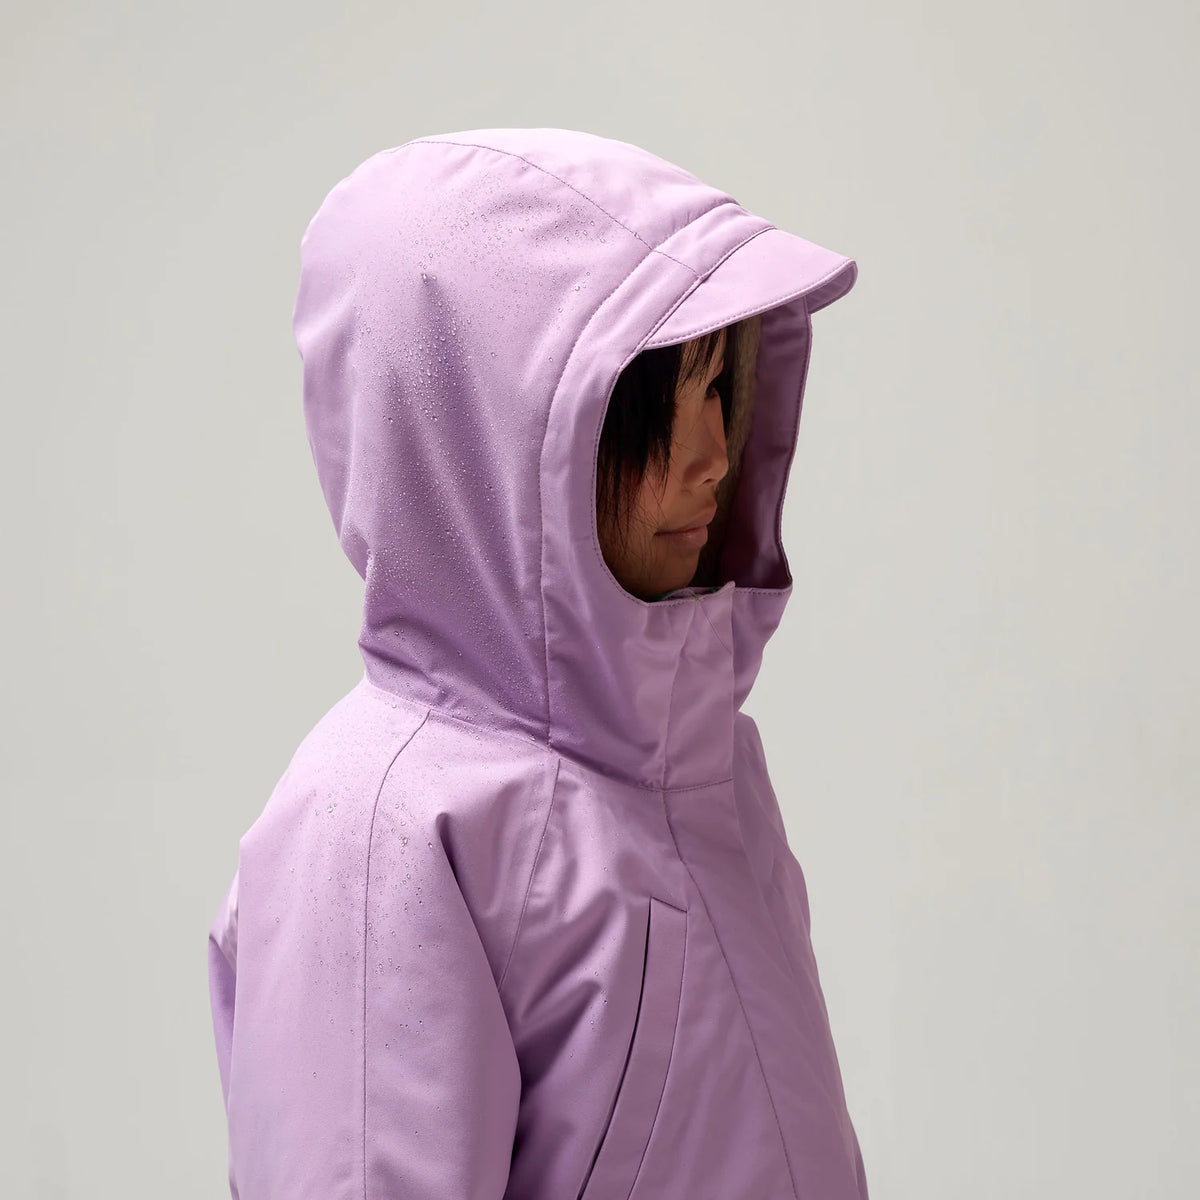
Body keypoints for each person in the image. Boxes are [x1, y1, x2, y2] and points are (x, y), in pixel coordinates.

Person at [207, 127, 867, 1200]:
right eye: (657, 403)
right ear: (489, 434)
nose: (713, 456)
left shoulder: (702, 769)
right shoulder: (382, 829)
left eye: (722, 389)